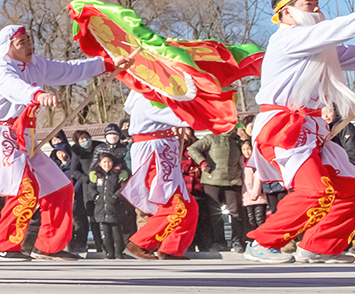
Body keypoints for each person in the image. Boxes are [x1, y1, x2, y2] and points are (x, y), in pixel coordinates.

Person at [244, 0, 355, 264]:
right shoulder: (288, 39)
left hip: (311, 129)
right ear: (286, 12)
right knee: (314, 191)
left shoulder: (318, 46)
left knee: (354, 188)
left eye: (318, 4)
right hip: (283, 128)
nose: (317, 10)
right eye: (310, 4)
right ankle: (262, 242)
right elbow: (336, 30)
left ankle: (320, 246)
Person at [0, 25, 121, 262]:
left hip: (25, 138)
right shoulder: (0, 70)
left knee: (60, 188)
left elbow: (68, 69)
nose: (29, 45)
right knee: (24, 189)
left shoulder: (37, 65)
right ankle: (3, 246)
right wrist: (36, 95)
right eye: (22, 42)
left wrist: (107, 63)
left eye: (29, 39)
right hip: (3, 137)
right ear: (8, 47)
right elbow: (14, 87)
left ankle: (49, 246)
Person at [118, 90, 197, 260]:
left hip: (164, 152)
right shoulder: (147, 99)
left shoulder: (155, 97)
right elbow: (182, 116)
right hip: (155, 154)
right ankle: (139, 243)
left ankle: (171, 248)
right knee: (175, 205)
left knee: (189, 206)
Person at [188, 125, 245, 252]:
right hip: (212, 180)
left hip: (233, 180)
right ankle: (219, 241)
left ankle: (237, 241)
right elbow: (193, 149)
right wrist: (202, 162)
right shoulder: (211, 138)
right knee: (214, 214)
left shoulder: (237, 140)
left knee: (236, 212)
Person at [90, 153, 129, 259]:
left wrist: (116, 197)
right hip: (101, 209)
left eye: (109, 162)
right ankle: (109, 253)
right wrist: (96, 197)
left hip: (114, 208)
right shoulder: (97, 175)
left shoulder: (117, 174)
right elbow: (91, 188)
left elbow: (123, 187)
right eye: (104, 162)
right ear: (100, 164)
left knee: (117, 232)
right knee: (106, 233)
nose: (107, 164)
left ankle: (119, 252)